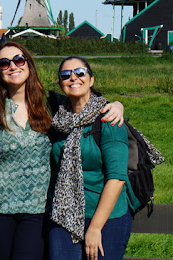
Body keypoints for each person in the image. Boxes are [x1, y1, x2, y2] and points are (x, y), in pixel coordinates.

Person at [0, 42, 123, 260]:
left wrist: (116, 105)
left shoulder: (51, 104)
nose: (13, 66)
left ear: (28, 65)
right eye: (4, 63)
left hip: (38, 208)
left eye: (19, 60)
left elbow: (86, 104)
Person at [48, 57, 133, 260]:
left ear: (91, 79)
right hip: (64, 213)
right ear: (60, 83)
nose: (73, 78)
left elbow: (117, 177)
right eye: (65, 75)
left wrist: (95, 228)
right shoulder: (57, 119)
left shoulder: (108, 119)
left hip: (106, 217)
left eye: (80, 72)